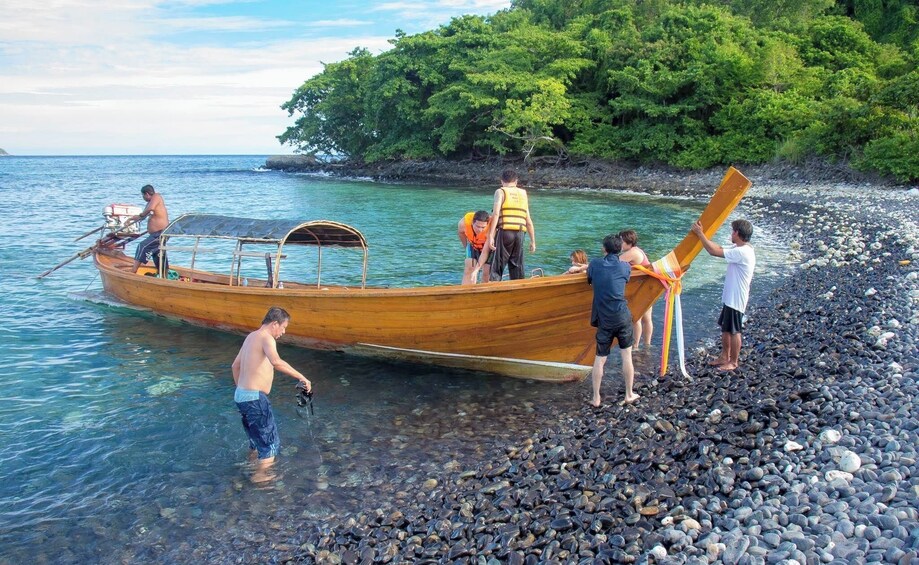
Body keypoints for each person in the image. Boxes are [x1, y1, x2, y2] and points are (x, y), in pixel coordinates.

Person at [232, 307, 312, 482]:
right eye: (283, 327)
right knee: (270, 445)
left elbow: (235, 366)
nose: (283, 332)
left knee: (255, 441)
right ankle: (261, 482)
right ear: (275, 324)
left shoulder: (250, 337)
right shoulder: (266, 338)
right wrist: (302, 377)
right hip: (254, 398)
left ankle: (251, 468)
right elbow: (276, 362)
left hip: (241, 396)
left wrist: (243, 390)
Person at [690, 219, 756, 371]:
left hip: (736, 298)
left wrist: (700, 234)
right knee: (726, 328)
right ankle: (724, 356)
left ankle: (733, 362)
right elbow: (718, 247)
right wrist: (703, 235)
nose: (731, 234)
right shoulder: (741, 247)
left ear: (738, 233)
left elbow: (713, 251)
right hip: (730, 297)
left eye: (733, 231)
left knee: (734, 330)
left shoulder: (742, 252)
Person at [587, 234, 638, 407]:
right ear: (620, 248)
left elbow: (589, 279)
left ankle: (596, 398)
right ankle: (629, 394)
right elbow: (625, 278)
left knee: (600, 358)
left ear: (604, 249)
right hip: (623, 316)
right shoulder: (625, 267)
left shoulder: (594, 264)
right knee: (627, 356)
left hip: (605, 319)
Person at [483, 169, 535, 281]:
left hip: (505, 232)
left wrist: (491, 235)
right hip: (520, 233)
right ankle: (519, 290)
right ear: (516, 181)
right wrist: (533, 241)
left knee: (498, 266)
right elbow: (528, 219)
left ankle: (494, 290)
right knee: (517, 266)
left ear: (502, 181)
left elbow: (496, 213)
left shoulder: (500, 191)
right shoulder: (523, 193)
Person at [618, 230, 653, 348]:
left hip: (641, 289)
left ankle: (636, 347)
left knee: (636, 318)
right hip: (649, 286)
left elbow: (610, 263)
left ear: (629, 242)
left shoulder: (632, 253)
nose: (619, 244)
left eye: (621, 241)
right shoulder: (638, 250)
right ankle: (647, 345)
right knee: (647, 319)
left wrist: (586, 266)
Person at [130, 184, 169, 274]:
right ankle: (163, 274)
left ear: (146, 194)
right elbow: (143, 216)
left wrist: (141, 215)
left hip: (160, 233)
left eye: (142, 195)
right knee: (157, 252)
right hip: (156, 234)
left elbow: (148, 210)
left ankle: (133, 271)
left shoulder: (156, 196)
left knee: (142, 246)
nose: (143, 198)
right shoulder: (150, 203)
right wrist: (131, 219)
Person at [457, 210, 491, 284]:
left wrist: (477, 269)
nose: (480, 230)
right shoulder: (463, 224)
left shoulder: (491, 229)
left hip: (487, 248)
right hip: (473, 245)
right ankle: (466, 292)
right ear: (472, 222)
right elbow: (461, 233)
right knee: (469, 269)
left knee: (486, 273)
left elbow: (485, 252)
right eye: (477, 226)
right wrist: (466, 247)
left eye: (483, 227)